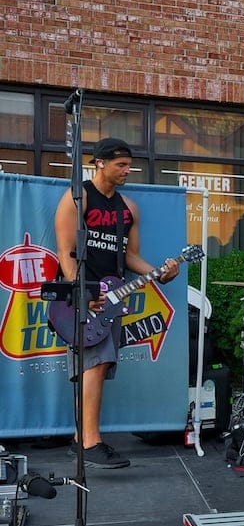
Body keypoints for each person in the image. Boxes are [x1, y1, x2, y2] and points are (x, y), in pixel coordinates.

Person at [54, 137, 181, 468]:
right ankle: (89, 442)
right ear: (100, 163)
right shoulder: (78, 197)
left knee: (100, 365)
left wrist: (159, 273)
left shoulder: (128, 208)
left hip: (113, 297)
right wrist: (81, 293)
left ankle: (81, 439)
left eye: (129, 165)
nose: (127, 170)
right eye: (121, 165)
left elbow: (129, 256)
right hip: (84, 297)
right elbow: (65, 251)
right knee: (94, 364)